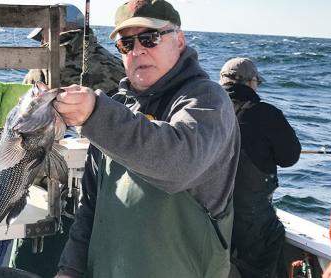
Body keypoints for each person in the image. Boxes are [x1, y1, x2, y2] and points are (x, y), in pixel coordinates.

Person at [53, 0, 240, 277]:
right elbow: (91, 206)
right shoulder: (116, 108)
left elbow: (178, 165)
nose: (138, 50)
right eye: (126, 44)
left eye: (149, 38)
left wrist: (95, 113)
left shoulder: (207, 100)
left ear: (179, 41)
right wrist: (69, 269)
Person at [9, 4, 125, 278]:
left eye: (42, 36)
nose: (41, 42)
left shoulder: (40, 72)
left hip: (45, 198)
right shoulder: (116, 65)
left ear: (58, 31)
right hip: (102, 200)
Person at [219, 57, 301, 278]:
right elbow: (290, 157)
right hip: (250, 223)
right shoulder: (266, 114)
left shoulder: (205, 109)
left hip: (206, 218)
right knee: (272, 238)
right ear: (251, 82)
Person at [23, 3, 125, 95]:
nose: (41, 42)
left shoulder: (41, 70)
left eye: (42, 36)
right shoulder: (121, 66)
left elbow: (21, 110)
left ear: (59, 29)